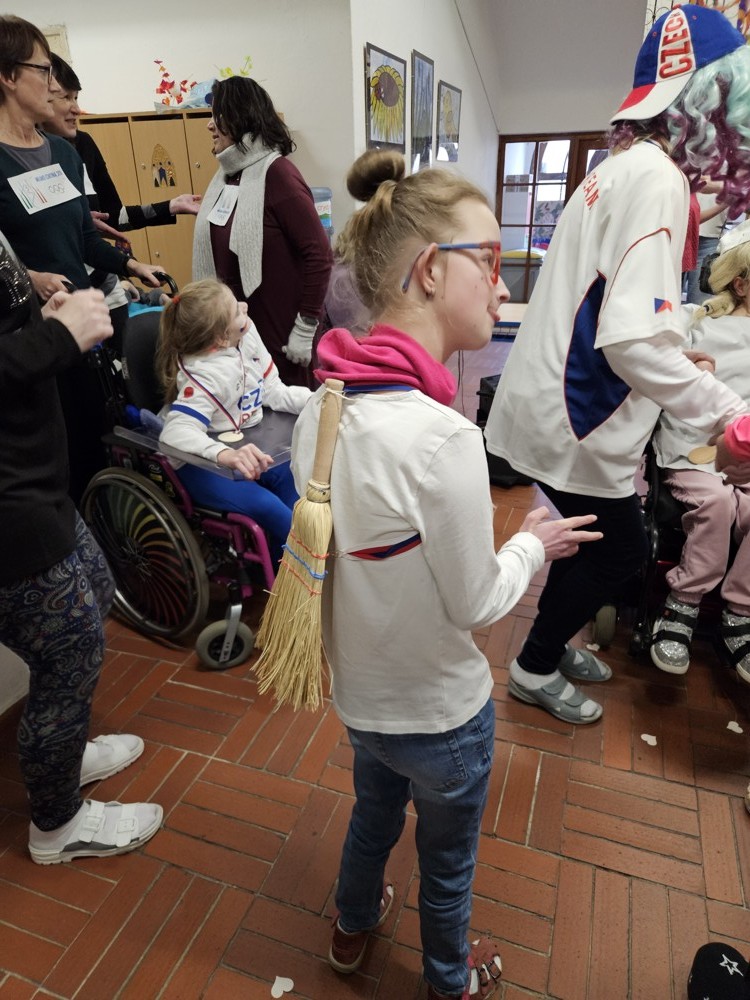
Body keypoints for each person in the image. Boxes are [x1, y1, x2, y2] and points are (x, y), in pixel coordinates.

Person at [292, 149, 602, 1000]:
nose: (502, 289)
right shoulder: (442, 439)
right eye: (490, 261)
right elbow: (476, 602)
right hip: (441, 718)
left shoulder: (323, 406)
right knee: (448, 860)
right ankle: (445, 978)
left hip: (363, 703)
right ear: (431, 270)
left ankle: (353, 927)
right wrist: (531, 544)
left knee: (372, 817)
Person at [483, 4, 750, 725]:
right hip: (577, 413)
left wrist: (673, 350)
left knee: (588, 541)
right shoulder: (658, 181)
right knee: (620, 551)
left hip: (554, 399)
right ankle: (535, 664)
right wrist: (729, 412)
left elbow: (610, 307)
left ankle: (547, 645)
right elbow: (629, 342)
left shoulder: (622, 168)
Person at [0, 230, 163, 864]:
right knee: (69, 653)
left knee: (95, 590)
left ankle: (64, 751)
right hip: (11, 507)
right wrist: (54, 339)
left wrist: (37, 318)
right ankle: (56, 826)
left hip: (38, 479)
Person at [0, 16, 166, 504]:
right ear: (8, 76)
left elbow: (84, 239)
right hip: (31, 339)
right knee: (58, 454)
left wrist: (130, 265)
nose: (54, 85)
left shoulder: (64, 154)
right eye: (43, 70)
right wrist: (31, 278)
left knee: (99, 437)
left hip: (83, 329)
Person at [40, 53, 201, 350]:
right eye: (65, 98)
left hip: (106, 282)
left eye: (77, 97)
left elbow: (114, 217)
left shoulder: (83, 145)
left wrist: (171, 207)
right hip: (60, 297)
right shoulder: (25, 160)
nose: (76, 108)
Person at [651, 220, 750, 681]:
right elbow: (665, 364)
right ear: (740, 283)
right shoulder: (699, 323)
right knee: (716, 504)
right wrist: (696, 367)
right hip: (695, 444)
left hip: (746, 450)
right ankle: (684, 602)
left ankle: (740, 610)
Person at [156, 278, 311, 565]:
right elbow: (174, 433)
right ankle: (307, 571)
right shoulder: (204, 374)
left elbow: (272, 391)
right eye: (236, 310)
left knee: (299, 492)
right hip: (201, 462)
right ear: (220, 338)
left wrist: (318, 401)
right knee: (271, 509)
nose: (245, 306)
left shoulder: (246, 335)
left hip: (247, 445)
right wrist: (225, 454)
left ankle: (288, 572)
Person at [192, 75, 332, 388]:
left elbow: (320, 254)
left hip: (281, 335)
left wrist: (305, 327)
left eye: (218, 116)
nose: (209, 125)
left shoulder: (278, 174)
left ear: (240, 117)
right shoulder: (229, 176)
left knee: (289, 412)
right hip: (241, 331)